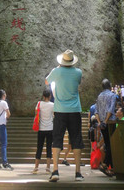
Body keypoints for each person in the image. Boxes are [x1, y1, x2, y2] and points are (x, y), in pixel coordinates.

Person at [45, 49, 84, 182]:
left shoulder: (56, 71)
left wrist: (57, 69)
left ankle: (55, 171)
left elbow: (46, 82)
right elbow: (77, 83)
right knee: (76, 140)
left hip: (60, 111)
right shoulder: (78, 72)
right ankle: (78, 173)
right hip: (74, 111)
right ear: (72, 62)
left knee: (57, 139)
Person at [95, 78, 116, 177]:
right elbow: (111, 109)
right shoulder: (112, 95)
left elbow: (96, 111)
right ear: (109, 86)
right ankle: (105, 165)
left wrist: (100, 122)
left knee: (108, 144)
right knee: (111, 144)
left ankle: (109, 168)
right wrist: (106, 121)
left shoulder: (99, 96)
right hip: (110, 123)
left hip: (102, 124)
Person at [32, 88, 54, 174]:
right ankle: (48, 168)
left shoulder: (39, 103)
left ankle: (36, 167)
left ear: (43, 96)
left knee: (39, 148)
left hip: (41, 128)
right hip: (50, 128)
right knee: (49, 148)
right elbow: (54, 114)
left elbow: (36, 113)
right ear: (50, 96)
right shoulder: (52, 105)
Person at [0, 89, 13, 170]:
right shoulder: (4, 102)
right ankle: (5, 162)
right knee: (4, 144)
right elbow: (8, 113)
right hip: (1, 124)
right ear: (3, 95)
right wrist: (6, 118)